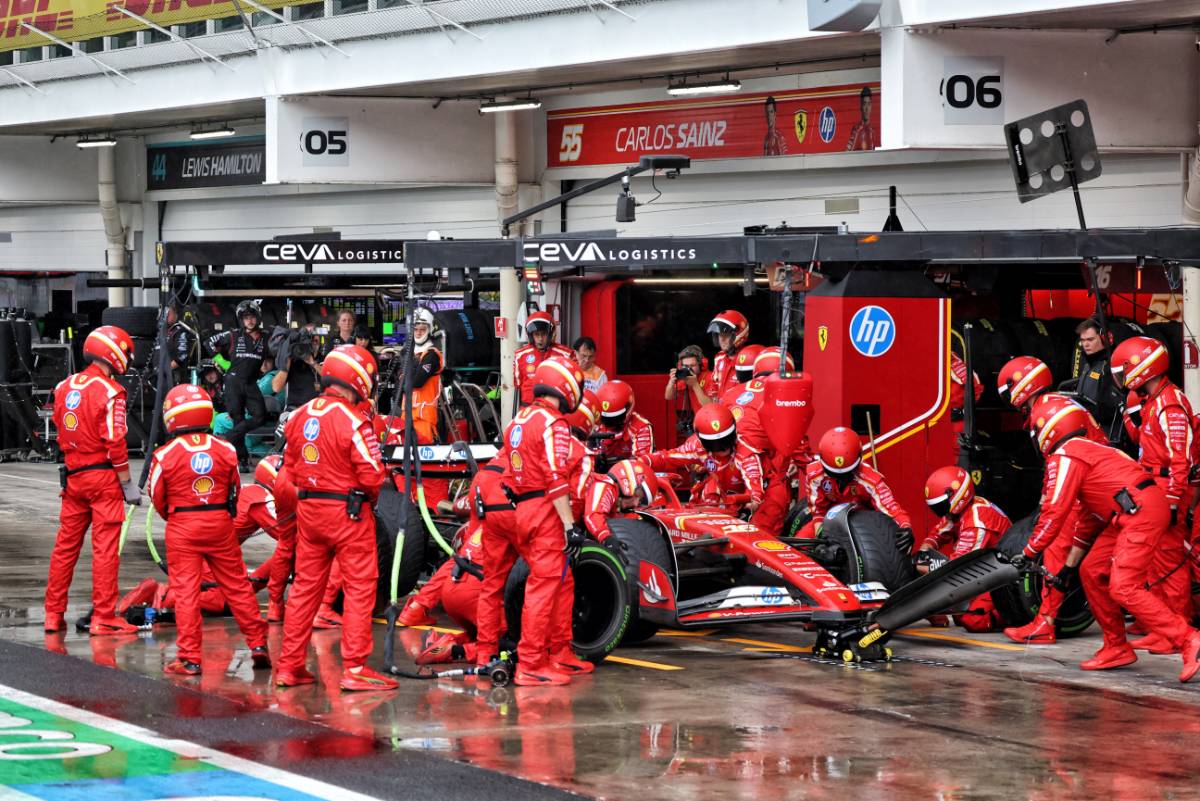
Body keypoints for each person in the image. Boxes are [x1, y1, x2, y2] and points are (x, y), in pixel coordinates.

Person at [1015, 393, 1200, 680]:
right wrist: (1068, 568)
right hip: (1133, 510)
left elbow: (1054, 512)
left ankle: (1189, 638)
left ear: (1048, 429)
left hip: (1140, 512)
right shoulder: (1085, 451)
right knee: (1091, 570)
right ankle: (1116, 646)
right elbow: (1089, 519)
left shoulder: (1066, 455)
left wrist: (1028, 551)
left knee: (1124, 586)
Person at [277, 345, 394, 692]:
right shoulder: (355, 421)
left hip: (309, 513)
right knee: (360, 587)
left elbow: (292, 473)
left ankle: (290, 666)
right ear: (358, 378)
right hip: (348, 514)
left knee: (303, 591)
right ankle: (355, 668)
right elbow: (374, 476)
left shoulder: (298, 416)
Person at [474, 356, 588, 686]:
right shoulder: (555, 424)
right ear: (565, 386)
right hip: (544, 510)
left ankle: (556, 651)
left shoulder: (519, 419)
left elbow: (509, 473)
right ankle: (533, 662)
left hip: (520, 508)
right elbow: (556, 477)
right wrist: (570, 525)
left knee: (552, 581)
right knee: (544, 585)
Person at [147, 383, 270, 676]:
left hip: (183, 526)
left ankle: (190, 658)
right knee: (238, 586)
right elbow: (235, 491)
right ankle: (258, 645)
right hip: (220, 524)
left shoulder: (165, 454)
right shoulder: (226, 448)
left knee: (187, 592)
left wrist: (178, 516)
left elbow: (157, 497)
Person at [996, 355, 1107, 645]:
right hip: (1101, 485)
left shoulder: (1049, 411)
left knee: (1057, 549)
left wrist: (1050, 499)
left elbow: (1064, 461)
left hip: (1088, 488)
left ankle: (1045, 622)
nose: (1009, 397)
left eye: (1009, 389)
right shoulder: (1057, 403)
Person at [45, 325, 141, 636]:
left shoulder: (64, 386)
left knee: (65, 549)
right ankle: (104, 616)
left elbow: (60, 431)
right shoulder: (111, 391)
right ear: (112, 351)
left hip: (72, 478)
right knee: (104, 550)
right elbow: (115, 442)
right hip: (102, 479)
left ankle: (52, 615)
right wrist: (127, 484)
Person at [1109, 336, 1196, 649]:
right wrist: (1128, 414)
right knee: (1154, 560)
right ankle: (1162, 628)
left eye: (1124, 370)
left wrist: (1173, 502)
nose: (1122, 377)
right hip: (1152, 486)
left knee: (1170, 560)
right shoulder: (1153, 401)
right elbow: (1145, 443)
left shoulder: (1170, 404)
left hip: (1168, 486)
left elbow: (1180, 459)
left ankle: (1179, 628)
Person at [918, 467, 1010, 632]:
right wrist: (926, 548)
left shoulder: (977, 522)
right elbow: (938, 534)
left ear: (956, 495)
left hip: (1003, 580)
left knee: (973, 620)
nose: (941, 511)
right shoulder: (961, 510)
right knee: (959, 615)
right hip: (987, 571)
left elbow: (957, 568)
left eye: (941, 505)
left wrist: (923, 567)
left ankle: (1014, 616)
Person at [799, 427, 913, 548]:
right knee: (798, 547)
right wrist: (821, 535)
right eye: (834, 474)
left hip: (862, 522)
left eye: (845, 474)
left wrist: (905, 527)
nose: (840, 479)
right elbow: (818, 511)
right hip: (829, 519)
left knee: (897, 546)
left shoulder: (871, 480)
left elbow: (892, 509)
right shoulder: (814, 474)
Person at [646, 403, 765, 518]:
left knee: (763, 520)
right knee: (710, 487)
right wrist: (643, 462)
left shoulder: (746, 452)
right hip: (716, 497)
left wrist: (753, 501)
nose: (722, 448)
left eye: (726, 440)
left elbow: (754, 488)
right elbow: (666, 458)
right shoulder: (696, 446)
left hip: (749, 497)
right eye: (713, 444)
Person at [205, 300, 267, 472]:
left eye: (252, 317)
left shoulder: (265, 336)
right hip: (233, 381)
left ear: (257, 318)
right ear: (241, 319)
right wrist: (223, 363)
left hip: (251, 382)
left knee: (260, 417)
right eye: (246, 317)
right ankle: (243, 460)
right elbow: (208, 343)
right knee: (237, 419)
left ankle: (227, 438)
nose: (250, 321)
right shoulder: (233, 334)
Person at [1065, 318, 1124, 439]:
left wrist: (1081, 408)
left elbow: (1110, 409)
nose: (1085, 344)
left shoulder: (1111, 367)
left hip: (1106, 437)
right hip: (1089, 433)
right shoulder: (1088, 365)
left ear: (1104, 338)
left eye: (1090, 340)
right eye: (1082, 340)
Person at [513, 311, 575, 407]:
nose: (540, 338)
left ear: (551, 334)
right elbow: (517, 385)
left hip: (555, 409)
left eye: (544, 334)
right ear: (531, 336)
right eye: (537, 334)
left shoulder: (566, 355)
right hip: (528, 408)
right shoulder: (520, 355)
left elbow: (572, 385)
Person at [594, 380, 654, 468]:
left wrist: (616, 463)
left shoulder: (641, 427)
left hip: (629, 475)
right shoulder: (596, 424)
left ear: (628, 409)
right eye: (605, 419)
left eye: (614, 418)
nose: (609, 424)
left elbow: (641, 465)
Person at [665, 345, 714, 438]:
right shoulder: (686, 379)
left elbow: (710, 407)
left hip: (713, 423)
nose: (689, 369)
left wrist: (695, 385)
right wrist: (671, 382)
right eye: (686, 366)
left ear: (701, 365)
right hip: (700, 426)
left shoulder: (710, 377)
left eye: (692, 366)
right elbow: (669, 396)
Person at [271, 327, 320, 412]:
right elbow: (276, 388)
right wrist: (286, 364)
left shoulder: (324, 358)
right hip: (295, 408)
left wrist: (313, 363)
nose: (313, 344)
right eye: (311, 341)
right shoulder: (294, 361)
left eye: (316, 341)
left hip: (317, 408)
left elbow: (329, 375)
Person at [707, 310, 751, 401]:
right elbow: (713, 390)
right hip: (721, 413)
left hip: (741, 412)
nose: (721, 339)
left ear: (739, 334)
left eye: (726, 334)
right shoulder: (719, 358)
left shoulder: (750, 359)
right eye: (719, 335)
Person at [845, 86, 877, 152]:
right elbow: (846, 153)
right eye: (864, 104)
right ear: (861, 107)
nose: (867, 108)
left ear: (871, 107)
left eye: (869, 104)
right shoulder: (857, 129)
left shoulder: (873, 131)